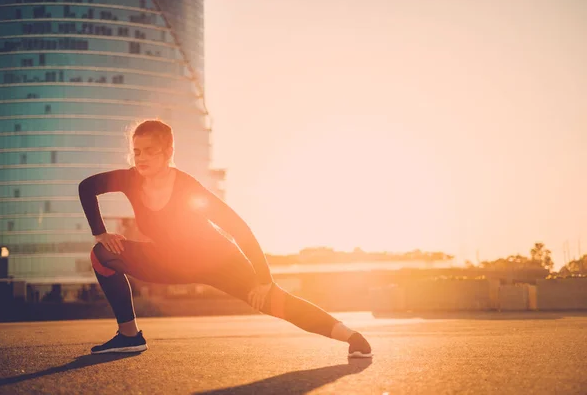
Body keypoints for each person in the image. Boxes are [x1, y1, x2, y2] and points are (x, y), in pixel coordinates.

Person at [78, 119, 372, 358]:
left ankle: (352, 337)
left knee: (273, 302)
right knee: (101, 254)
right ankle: (129, 337)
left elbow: (239, 227)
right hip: (168, 260)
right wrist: (100, 232)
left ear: (168, 152)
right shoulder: (130, 178)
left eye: (150, 151)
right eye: (137, 151)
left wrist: (264, 279)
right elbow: (87, 187)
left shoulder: (187, 187)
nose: (141, 158)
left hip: (217, 260)